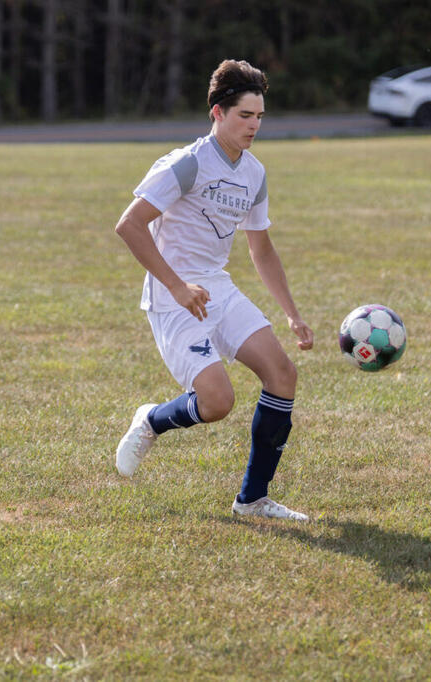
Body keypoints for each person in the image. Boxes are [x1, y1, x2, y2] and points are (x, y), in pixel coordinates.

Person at [113, 59, 315, 521]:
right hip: (173, 297)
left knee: (283, 374)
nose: (254, 126)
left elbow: (261, 248)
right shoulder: (186, 164)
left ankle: (253, 500)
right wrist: (177, 286)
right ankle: (151, 420)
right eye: (245, 115)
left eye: (259, 116)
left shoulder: (254, 173)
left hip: (217, 289)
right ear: (218, 113)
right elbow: (129, 226)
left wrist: (292, 313)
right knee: (217, 402)